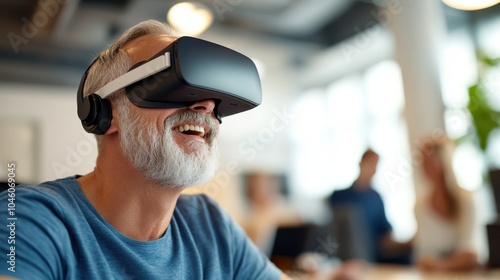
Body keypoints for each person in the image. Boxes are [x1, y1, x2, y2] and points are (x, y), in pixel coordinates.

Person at [0, 20, 289, 279]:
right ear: (106, 113)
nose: (206, 107)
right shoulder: (28, 219)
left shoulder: (209, 225)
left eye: (214, 100)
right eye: (171, 86)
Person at [327, 149, 412, 264]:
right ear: (360, 164)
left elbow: (385, 234)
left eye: (375, 165)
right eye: (370, 164)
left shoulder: (376, 198)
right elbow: (331, 232)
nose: (372, 169)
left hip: (372, 254)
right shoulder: (339, 196)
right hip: (344, 255)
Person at [413, 137, 480, 272]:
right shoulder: (420, 205)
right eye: (421, 161)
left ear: (443, 161)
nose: (423, 166)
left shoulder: (467, 200)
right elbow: (422, 257)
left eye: (429, 160)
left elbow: (471, 257)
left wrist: (439, 264)